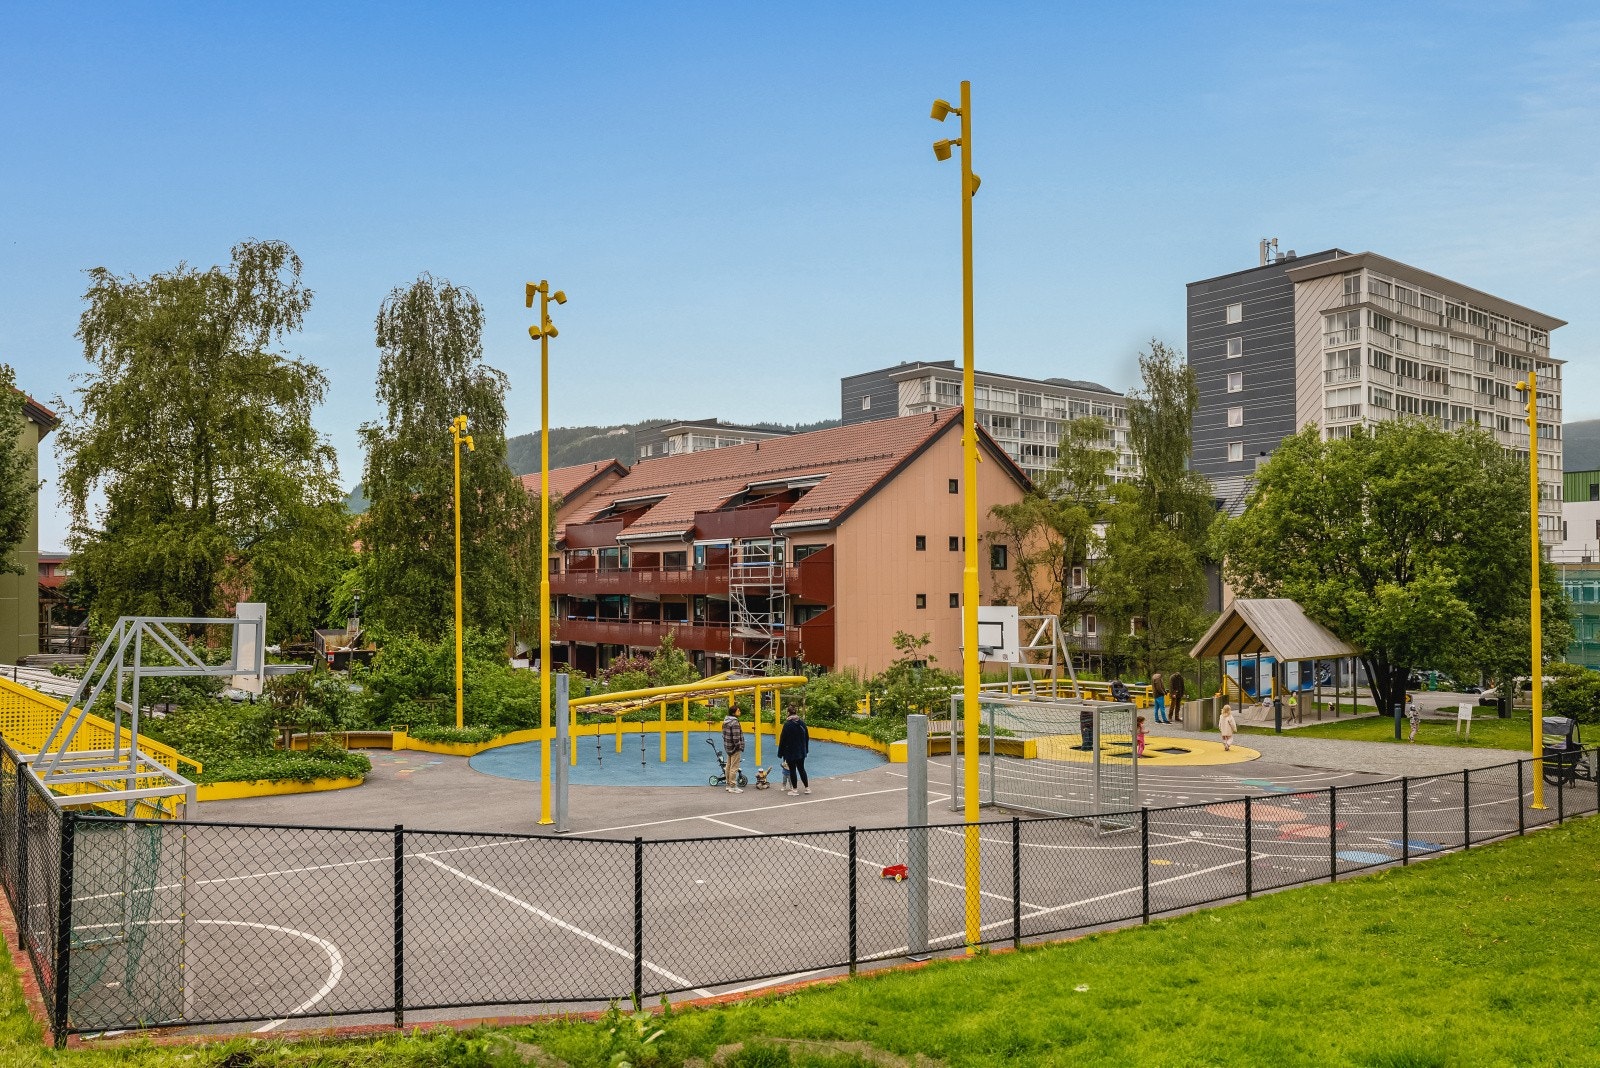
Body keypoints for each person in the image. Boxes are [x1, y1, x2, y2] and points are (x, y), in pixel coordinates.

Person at [778, 707, 811, 796]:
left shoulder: (787, 725)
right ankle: (807, 788)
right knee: (801, 769)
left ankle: (795, 790)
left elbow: (783, 739)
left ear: (788, 713)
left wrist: (780, 752)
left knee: (792, 770)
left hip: (790, 751)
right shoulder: (802, 723)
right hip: (801, 751)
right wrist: (805, 749)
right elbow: (807, 738)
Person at [721, 708, 745, 793]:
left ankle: (728, 784)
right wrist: (739, 746)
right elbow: (736, 737)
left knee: (728, 766)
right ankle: (733, 786)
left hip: (728, 747)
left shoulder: (725, 721)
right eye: (738, 711)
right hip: (735, 748)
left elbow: (723, 735)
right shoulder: (735, 722)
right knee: (734, 767)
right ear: (733, 713)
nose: (740, 712)